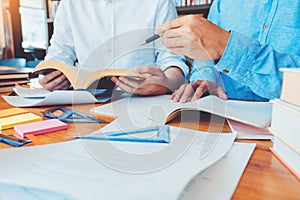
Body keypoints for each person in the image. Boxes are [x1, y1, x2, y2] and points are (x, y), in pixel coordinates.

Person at [156, 0, 300, 102]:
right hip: (226, 120)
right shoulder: (223, 3)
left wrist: (228, 48)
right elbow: (205, 56)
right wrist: (206, 80)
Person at [39, 0, 189, 96]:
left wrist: (167, 83)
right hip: (86, 102)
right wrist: (51, 77)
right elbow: (58, 55)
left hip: (144, 101)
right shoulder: (70, 4)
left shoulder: (158, 2)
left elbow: (173, 59)